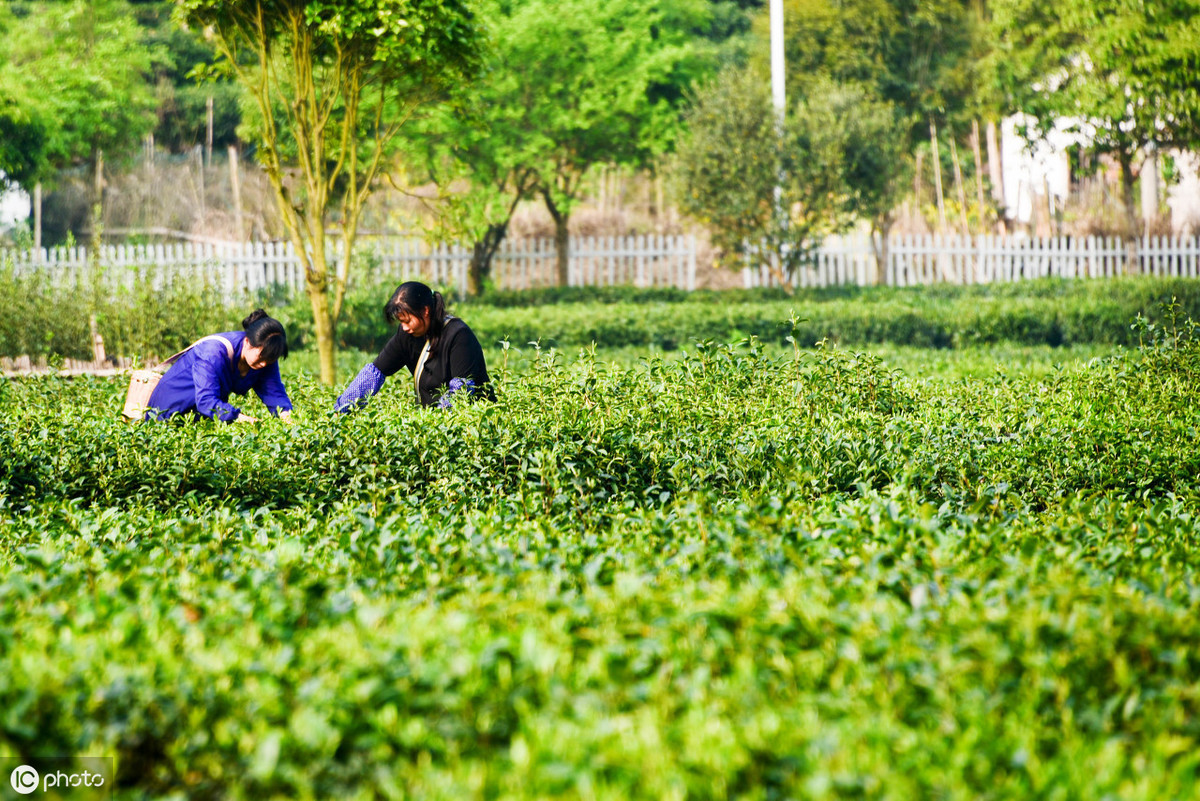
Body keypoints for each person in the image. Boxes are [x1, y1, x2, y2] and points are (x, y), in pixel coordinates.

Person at [335, 281, 493, 411]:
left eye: (407, 321)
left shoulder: (459, 336)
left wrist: (436, 424)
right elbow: (374, 373)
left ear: (425, 310)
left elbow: (461, 391)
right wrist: (342, 409)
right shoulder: (406, 336)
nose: (404, 327)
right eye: (401, 322)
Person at [145, 309, 293, 423]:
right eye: (261, 357)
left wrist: (287, 417)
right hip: (166, 414)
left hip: (199, 418)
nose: (264, 364)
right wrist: (243, 419)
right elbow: (206, 401)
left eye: (271, 359)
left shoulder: (266, 359)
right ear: (247, 342)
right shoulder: (213, 352)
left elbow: (275, 394)